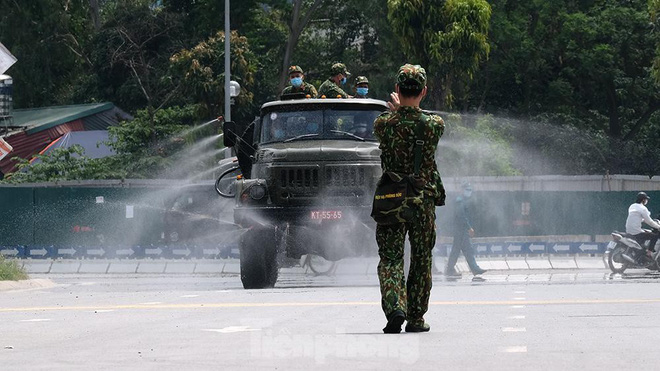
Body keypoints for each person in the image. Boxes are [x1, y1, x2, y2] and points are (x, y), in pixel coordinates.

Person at [373, 64, 445, 334]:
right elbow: (418, 123)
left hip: (391, 198)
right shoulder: (434, 125)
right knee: (422, 258)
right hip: (422, 200)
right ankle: (416, 318)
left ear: (397, 90)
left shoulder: (382, 123)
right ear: (424, 91)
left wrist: (396, 111)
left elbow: (393, 125)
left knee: (391, 257)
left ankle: (395, 307)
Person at [445, 181, 486, 277]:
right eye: (467, 190)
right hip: (461, 230)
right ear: (462, 190)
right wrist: (469, 227)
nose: (469, 192)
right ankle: (474, 268)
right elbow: (461, 216)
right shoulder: (460, 201)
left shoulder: (463, 201)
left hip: (461, 230)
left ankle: (450, 269)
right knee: (467, 249)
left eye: (470, 190)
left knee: (457, 250)